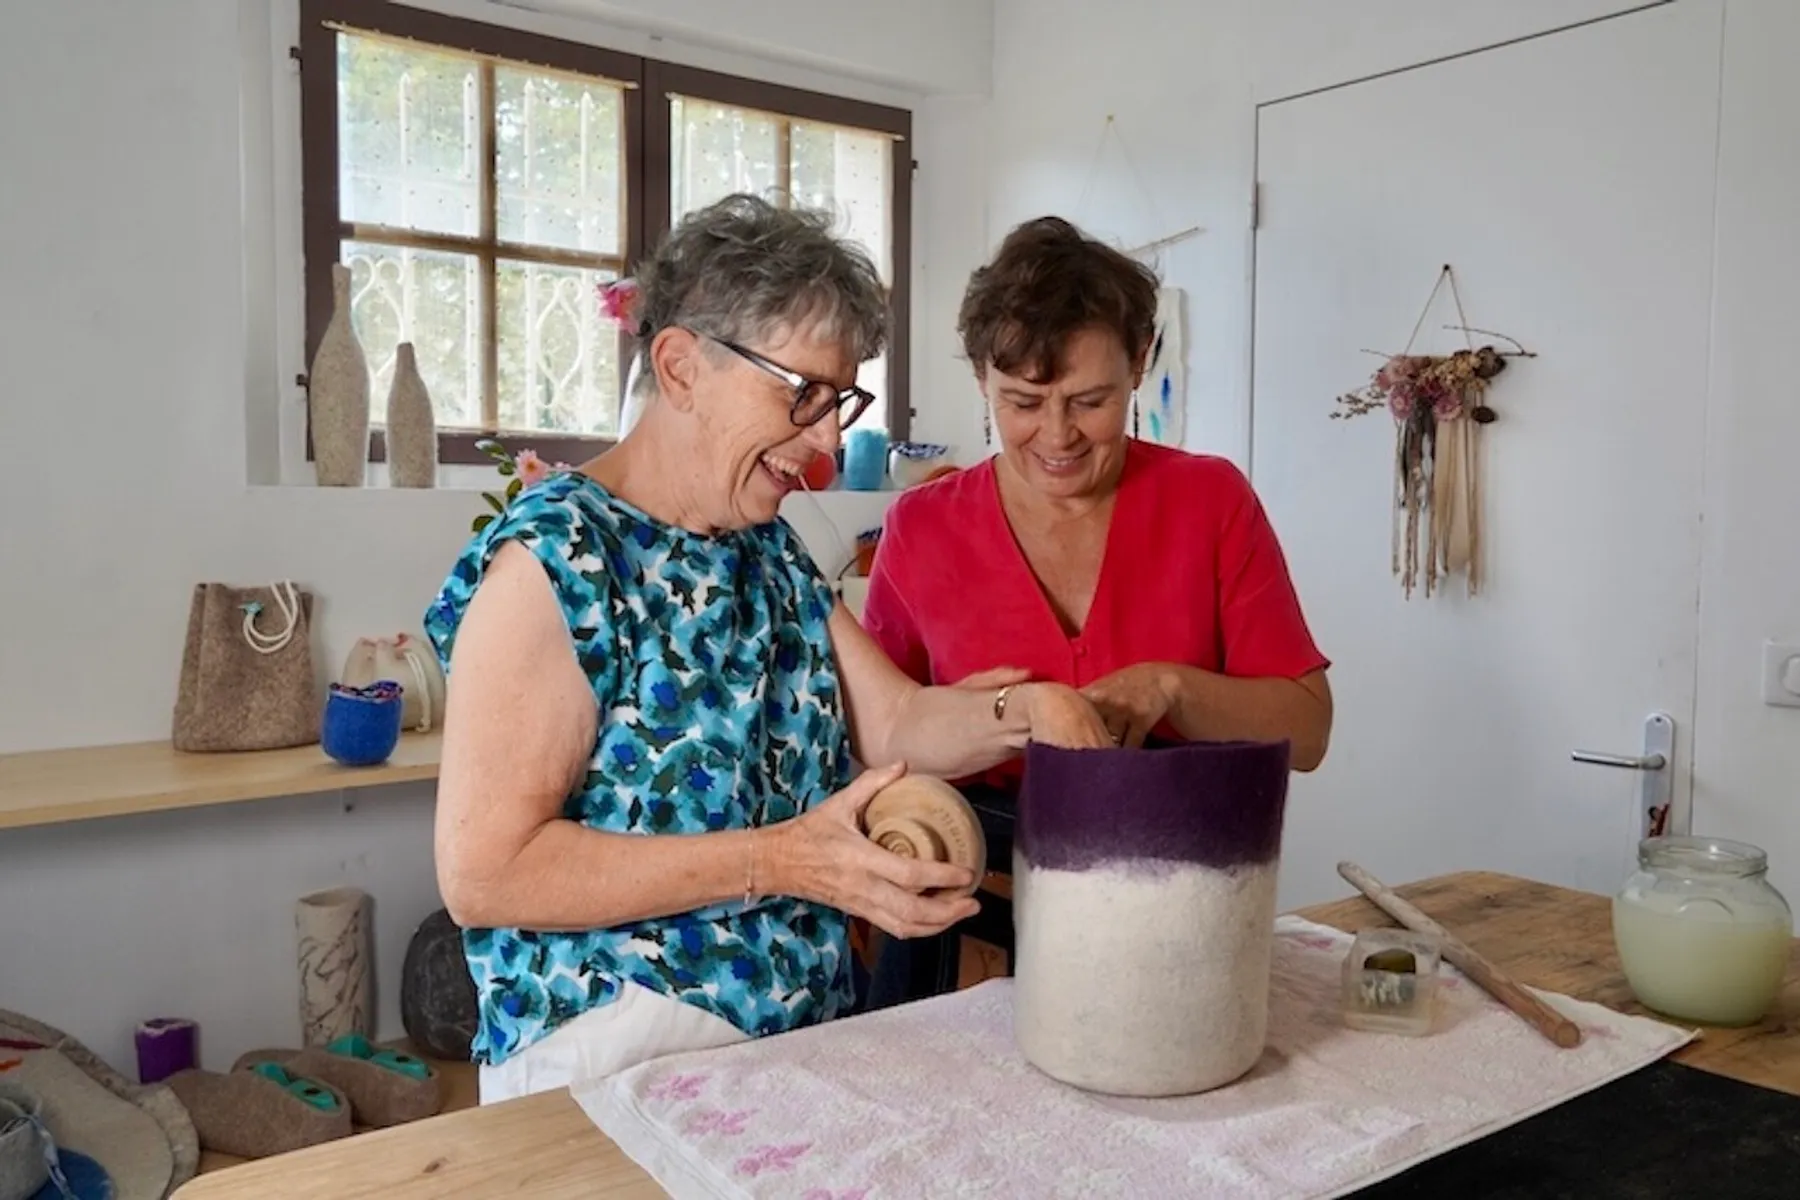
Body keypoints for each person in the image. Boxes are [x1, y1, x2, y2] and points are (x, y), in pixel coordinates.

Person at [423, 194, 1110, 1105]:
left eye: (841, 400)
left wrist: (1026, 711)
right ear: (681, 368)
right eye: (804, 396)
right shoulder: (557, 561)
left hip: (794, 1047)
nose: (827, 442)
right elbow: (486, 872)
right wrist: (781, 861)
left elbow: (897, 717)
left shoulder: (766, 549)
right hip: (612, 1063)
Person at [858, 216, 1333, 999]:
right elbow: (881, 744)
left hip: (1174, 919)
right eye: (1022, 401)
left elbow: (1308, 731)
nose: (1056, 435)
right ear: (982, 378)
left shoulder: (1210, 503)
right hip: (968, 928)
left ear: (1140, 363)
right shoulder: (923, 528)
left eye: (1088, 401)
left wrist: (1172, 690)